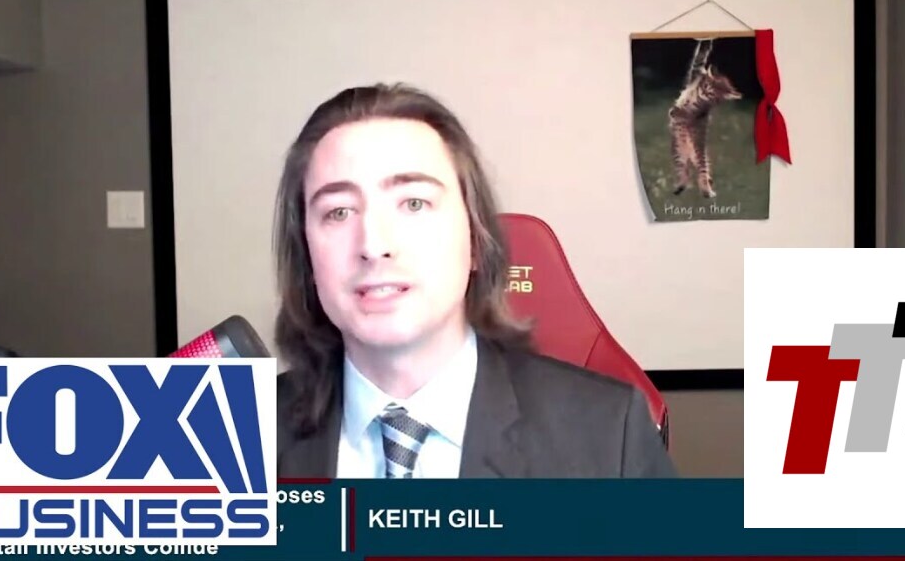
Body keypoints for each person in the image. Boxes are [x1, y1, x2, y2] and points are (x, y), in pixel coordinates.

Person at [272, 83, 676, 478]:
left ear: (476, 239)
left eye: (414, 203)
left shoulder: (609, 434)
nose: (374, 245)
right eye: (339, 212)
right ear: (306, 255)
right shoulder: (240, 432)